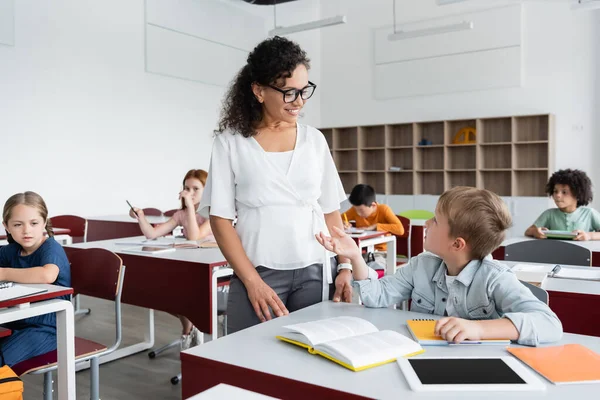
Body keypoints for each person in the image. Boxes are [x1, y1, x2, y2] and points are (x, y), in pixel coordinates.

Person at [200, 36, 351, 334]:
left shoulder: (314, 140)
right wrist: (252, 282)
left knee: (313, 362)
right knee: (249, 361)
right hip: (257, 271)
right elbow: (220, 220)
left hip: (317, 269)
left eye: (304, 90)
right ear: (258, 90)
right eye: (288, 93)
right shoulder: (230, 143)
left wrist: (344, 265)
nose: (299, 102)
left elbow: (331, 211)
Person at [316, 186, 563, 346]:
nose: (426, 223)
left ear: (457, 243)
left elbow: (549, 324)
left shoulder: (495, 278)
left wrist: (477, 329)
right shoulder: (421, 266)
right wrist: (356, 257)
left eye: (435, 220)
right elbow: (376, 295)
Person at [130, 169, 212, 349]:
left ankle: (190, 327)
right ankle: (189, 325)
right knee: (164, 293)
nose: (189, 193)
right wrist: (141, 217)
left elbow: (194, 237)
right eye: (186, 188)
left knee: (181, 294)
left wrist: (190, 207)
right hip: (190, 268)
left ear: (207, 191)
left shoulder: (213, 214)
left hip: (211, 272)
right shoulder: (181, 214)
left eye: (195, 189)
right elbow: (152, 234)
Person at [0, 192, 71, 366]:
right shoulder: (12, 250)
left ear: (44, 223)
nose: (26, 230)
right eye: (17, 224)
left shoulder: (51, 248)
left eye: (34, 223)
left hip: (46, 330)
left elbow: (47, 274)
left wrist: (3, 273)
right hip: (14, 319)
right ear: (6, 226)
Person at [525, 169, 600, 241]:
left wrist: (589, 235)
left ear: (578, 194)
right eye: (555, 191)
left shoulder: (589, 213)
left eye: (564, 192)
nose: (558, 195)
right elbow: (528, 231)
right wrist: (535, 232)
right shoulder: (549, 214)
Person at [342, 184, 404, 270]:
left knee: (371, 268)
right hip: (362, 251)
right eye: (356, 210)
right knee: (348, 266)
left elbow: (400, 229)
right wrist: (344, 223)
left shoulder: (383, 210)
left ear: (373, 205)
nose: (358, 213)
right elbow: (340, 218)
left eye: (361, 210)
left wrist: (376, 226)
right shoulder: (355, 210)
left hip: (381, 253)